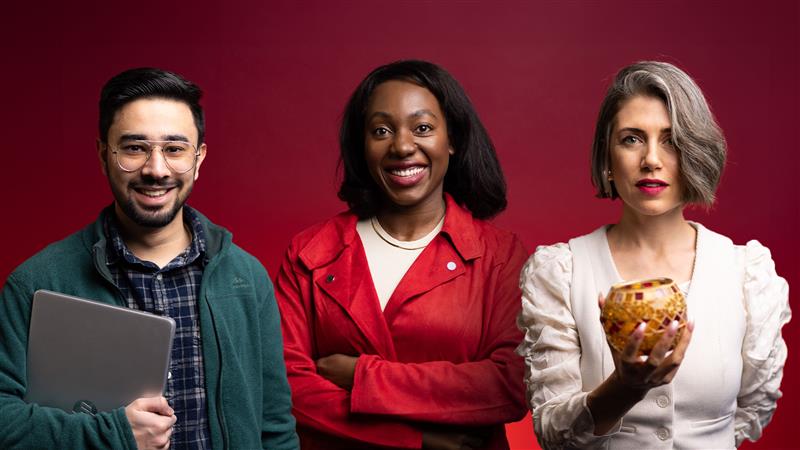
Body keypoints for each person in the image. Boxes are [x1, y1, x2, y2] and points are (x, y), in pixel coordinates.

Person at [0, 68, 298, 449]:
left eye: (174, 149)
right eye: (134, 148)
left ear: (199, 157)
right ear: (103, 154)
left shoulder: (246, 278)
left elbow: (274, 427)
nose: (156, 170)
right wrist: (114, 436)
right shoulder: (38, 282)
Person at [517, 61, 790, 449]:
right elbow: (551, 432)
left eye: (670, 139)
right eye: (631, 139)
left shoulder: (745, 273)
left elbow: (752, 409)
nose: (651, 159)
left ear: (694, 152)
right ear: (607, 159)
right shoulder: (561, 272)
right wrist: (623, 388)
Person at [275, 60, 527, 449]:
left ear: (453, 139)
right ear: (362, 145)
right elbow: (284, 386)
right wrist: (415, 439)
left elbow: (510, 384)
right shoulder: (311, 252)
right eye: (381, 131)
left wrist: (363, 376)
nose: (403, 146)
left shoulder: (498, 255)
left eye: (423, 128)